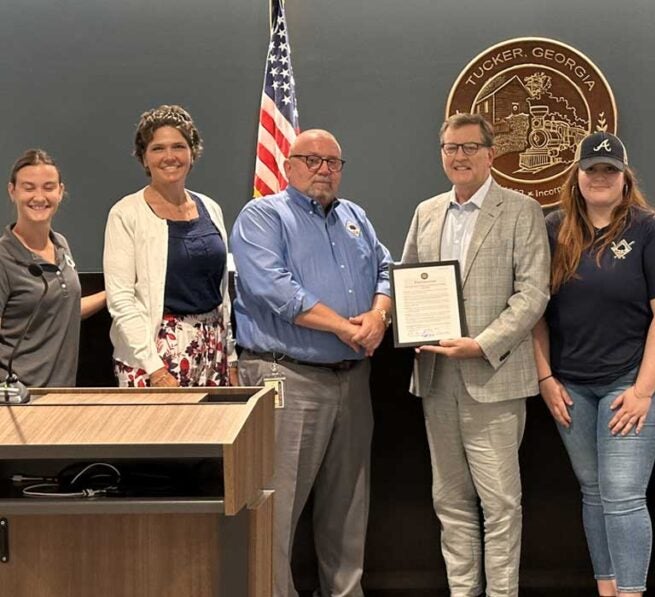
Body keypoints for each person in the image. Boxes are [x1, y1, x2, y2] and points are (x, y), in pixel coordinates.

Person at [231, 129, 392, 597]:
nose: (323, 169)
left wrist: (380, 314)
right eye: (311, 159)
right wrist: (345, 328)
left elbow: (385, 269)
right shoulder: (262, 216)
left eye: (333, 162)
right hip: (286, 378)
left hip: (352, 378)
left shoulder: (355, 216)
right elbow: (274, 288)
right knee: (276, 509)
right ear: (288, 165)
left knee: (348, 507)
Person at [531, 132, 655, 597]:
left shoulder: (651, 230)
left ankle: (631, 592)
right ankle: (607, 587)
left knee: (621, 492)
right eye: (591, 170)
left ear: (624, 178)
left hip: (632, 381)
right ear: (576, 176)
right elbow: (533, 310)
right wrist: (545, 377)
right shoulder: (551, 228)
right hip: (571, 386)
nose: (600, 178)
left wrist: (642, 391)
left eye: (609, 171)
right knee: (594, 491)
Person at [401, 113, 549, 597]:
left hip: (495, 378)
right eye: (449, 148)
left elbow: (532, 295)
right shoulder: (426, 211)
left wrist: (481, 344)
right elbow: (408, 281)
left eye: (468, 148)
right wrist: (401, 320)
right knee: (450, 501)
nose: (458, 157)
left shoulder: (522, 209)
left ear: (490, 153)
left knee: (502, 504)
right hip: (438, 379)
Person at [103, 105, 235, 387]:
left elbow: (222, 293)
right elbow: (121, 301)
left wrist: (231, 356)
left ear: (192, 152)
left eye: (179, 146)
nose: (169, 156)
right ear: (144, 157)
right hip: (153, 355)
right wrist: (155, 369)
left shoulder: (210, 208)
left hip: (213, 350)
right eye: (158, 148)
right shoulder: (126, 213)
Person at [0, 149, 105, 388]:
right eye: (29, 187)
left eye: (48, 187)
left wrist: (112, 294)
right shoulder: (3, 258)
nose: (39, 197)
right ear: (12, 191)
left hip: (60, 395)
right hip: (17, 399)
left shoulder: (61, 245)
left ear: (60, 191)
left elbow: (63, 310)